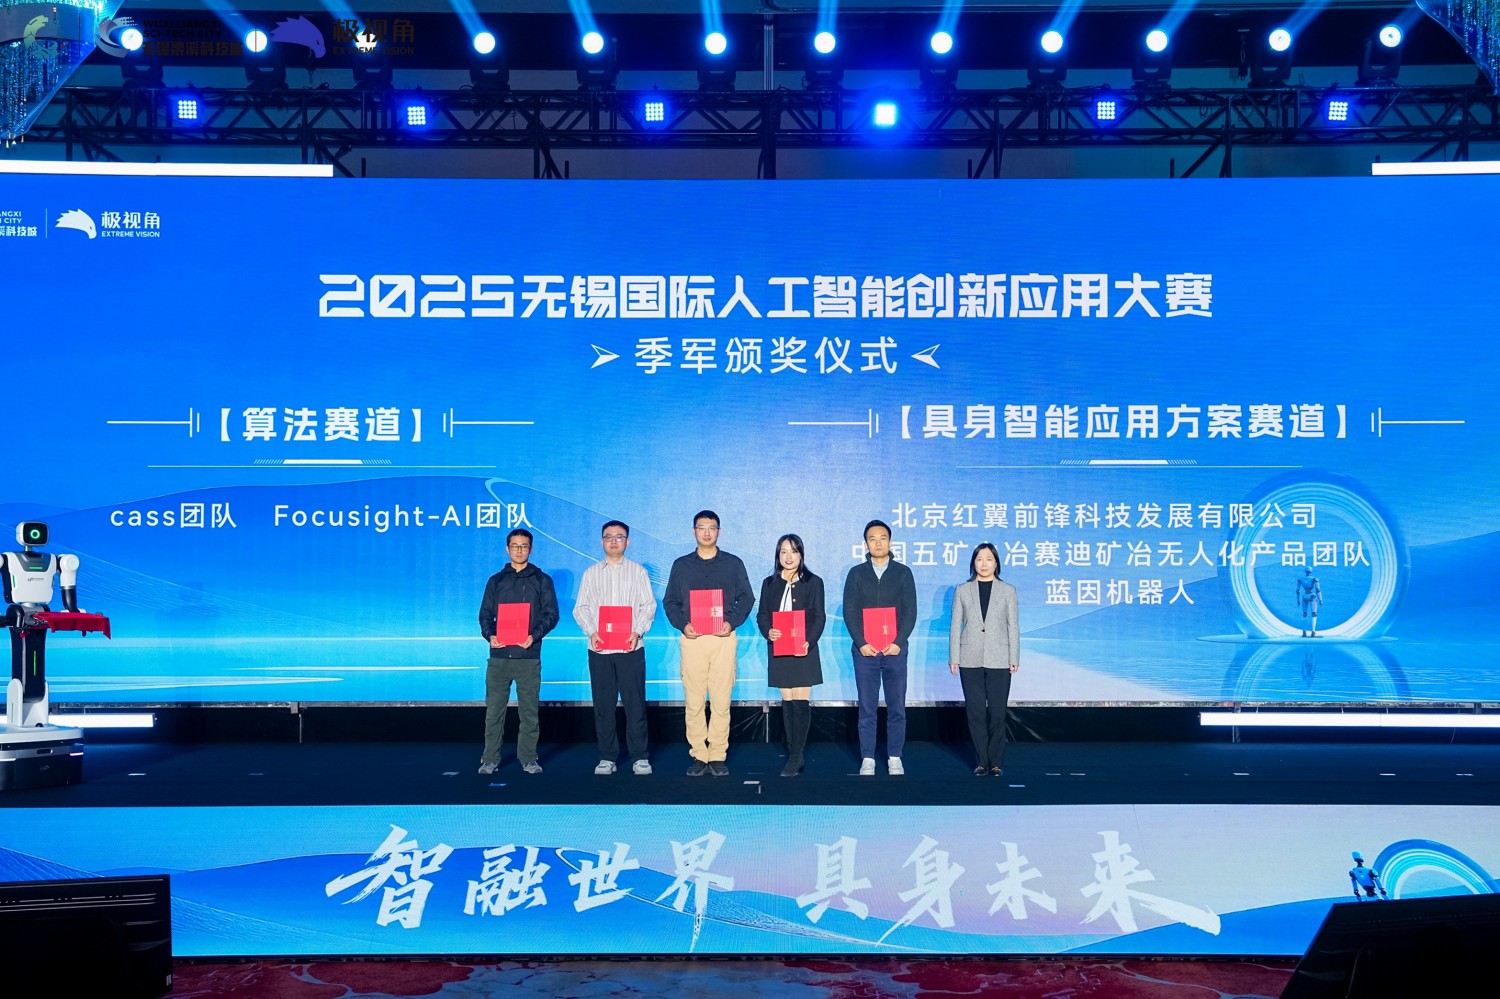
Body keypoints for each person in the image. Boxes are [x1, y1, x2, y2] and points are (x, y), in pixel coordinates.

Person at [662, 510, 755, 777]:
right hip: (693, 639)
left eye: (711, 528)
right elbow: (670, 601)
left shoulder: (733, 564)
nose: (706, 532)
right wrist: (683, 624)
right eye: (701, 527)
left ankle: (717, 754)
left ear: (719, 531)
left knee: (721, 700)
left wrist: (731, 622)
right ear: (694, 531)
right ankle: (698, 754)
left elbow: (747, 598)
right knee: (694, 701)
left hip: (722, 638)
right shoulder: (681, 565)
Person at [573, 519, 658, 776]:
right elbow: (580, 608)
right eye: (608, 537)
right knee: (603, 705)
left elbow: (648, 606)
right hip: (600, 649)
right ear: (602, 541)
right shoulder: (591, 573)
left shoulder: (638, 572)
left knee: (635, 704)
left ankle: (639, 757)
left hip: (631, 648)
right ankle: (607, 756)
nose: (613, 541)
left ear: (627, 542)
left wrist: (637, 631)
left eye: (619, 537)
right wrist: (592, 631)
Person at [476, 528, 559, 775]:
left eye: (524, 546)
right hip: (499, 657)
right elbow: (484, 615)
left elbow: (551, 614)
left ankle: (529, 758)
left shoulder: (542, 580)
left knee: (529, 713)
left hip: (528, 657)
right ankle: (490, 758)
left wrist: (534, 635)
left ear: (531, 549)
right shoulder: (496, 581)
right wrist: (490, 635)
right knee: (494, 712)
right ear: (507, 549)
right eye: (515, 546)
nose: (519, 550)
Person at [842, 519, 917, 776]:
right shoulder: (856, 574)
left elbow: (910, 611)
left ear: (890, 542)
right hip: (865, 652)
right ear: (865, 544)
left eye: (883, 538)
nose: (878, 543)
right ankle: (868, 758)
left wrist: (898, 642)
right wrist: (861, 643)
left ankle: (895, 756)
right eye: (872, 539)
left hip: (895, 651)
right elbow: (850, 611)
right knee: (867, 707)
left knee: (897, 706)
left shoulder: (903, 573)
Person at [755, 534, 826, 778]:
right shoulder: (769, 583)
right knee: (787, 701)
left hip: (804, 648)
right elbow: (762, 615)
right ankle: (793, 751)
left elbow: (819, 617)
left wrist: (809, 641)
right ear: (778, 555)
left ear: (801, 554)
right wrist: (768, 631)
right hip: (779, 647)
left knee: (800, 700)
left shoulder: (813, 582)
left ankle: (796, 755)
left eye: (793, 551)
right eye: (783, 551)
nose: (788, 556)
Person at [948, 543, 1020, 777]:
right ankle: (981, 761)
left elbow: (1013, 626)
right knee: (975, 713)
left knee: (997, 713)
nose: (984, 563)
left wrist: (1014, 656)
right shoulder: (962, 590)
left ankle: (996, 762)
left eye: (989, 559)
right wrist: (954, 657)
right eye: (979, 559)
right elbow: (955, 626)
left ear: (996, 563)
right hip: (970, 658)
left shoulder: (1008, 591)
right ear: (973, 563)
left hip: (999, 658)